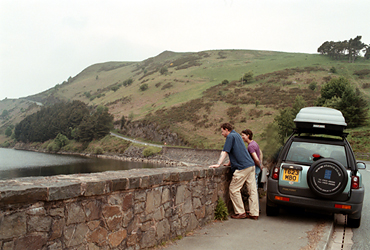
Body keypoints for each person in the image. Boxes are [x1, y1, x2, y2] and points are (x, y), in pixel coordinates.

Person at [209, 123, 259, 220]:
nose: (222, 133)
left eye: (222, 131)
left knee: (233, 189)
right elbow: (237, 151)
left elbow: (225, 151)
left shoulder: (230, 136)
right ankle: (254, 213)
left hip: (242, 167)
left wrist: (218, 164)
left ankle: (241, 212)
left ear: (227, 129)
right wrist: (229, 163)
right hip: (251, 165)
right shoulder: (236, 135)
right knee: (252, 190)